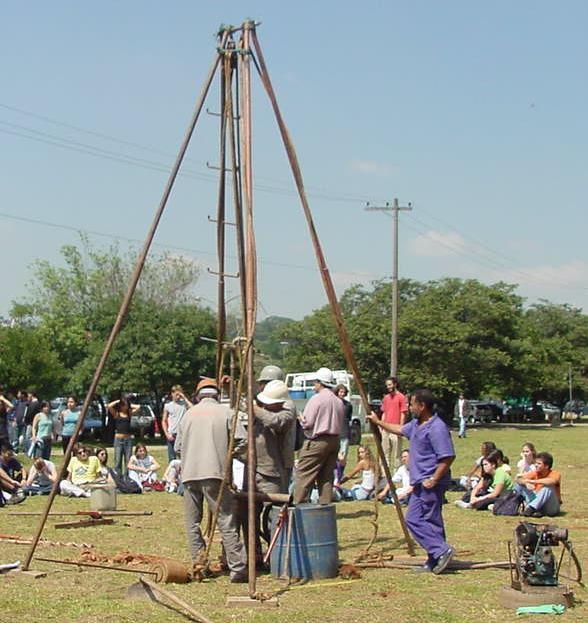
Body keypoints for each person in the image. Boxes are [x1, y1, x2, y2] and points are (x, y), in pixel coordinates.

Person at [369, 388, 455, 574]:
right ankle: (435, 559)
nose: (408, 407)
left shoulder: (437, 428)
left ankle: (441, 550)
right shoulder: (416, 424)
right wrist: (378, 422)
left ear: (422, 406)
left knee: (415, 519)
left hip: (430, 482)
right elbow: (399, 429)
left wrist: (434, 479)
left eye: (412, 403)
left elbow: (447, 457)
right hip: (419, 482)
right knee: (431, 521)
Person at [175, 377, 248, 583]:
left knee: (192, 522)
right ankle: (237, 568)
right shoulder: (226, 413)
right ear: (217, 394)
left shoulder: (188, 415)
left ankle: (199, 564)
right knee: (225, 520)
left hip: (189, 475)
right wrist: (228, 452)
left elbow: (178, 447)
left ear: (198, 395)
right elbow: (242, 440)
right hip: (215, 473)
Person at [293, 367, 344, 505]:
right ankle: (324, 506)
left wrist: (300, 417)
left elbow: (307, 423)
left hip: (317, 441)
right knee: (326, 477)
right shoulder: (338, 401)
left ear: (319, 383)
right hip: (334, 440)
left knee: (304, 475)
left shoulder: (316, 399)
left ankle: (300, 507)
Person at [257, 365, 297, 490]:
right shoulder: (264, 403)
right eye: (262, 383)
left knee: (276, 501)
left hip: (279, 463)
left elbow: (276, 421)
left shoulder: (287, 405)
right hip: (261, 464)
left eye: (266, 383)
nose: (263, 387)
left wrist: (254, 409)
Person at [515, 452, 562, 517]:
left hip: (551, 507)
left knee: (548, 488)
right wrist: (526, 483)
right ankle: (517, 507)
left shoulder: (555, 474)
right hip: (538, 503)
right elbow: (518, 479)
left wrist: (533, 481)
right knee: (519, 485)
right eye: (535, 463)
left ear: (546, 466)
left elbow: (552, 481)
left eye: (539, 464)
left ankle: (530, 509)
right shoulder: (535, 473)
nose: (536, 465)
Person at [380, 377, 408, 469]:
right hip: (386, 429)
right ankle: (385, 474)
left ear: (395, 384)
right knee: (385, 453)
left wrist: (400, 428)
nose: (388, 387)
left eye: (390, 384)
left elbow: (403, 413)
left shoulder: (401, 397)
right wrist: (381, 425)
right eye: (387, 385)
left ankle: (397, 474)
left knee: (397, 454)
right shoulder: (386, 398)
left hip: (396, 429)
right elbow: (384, 412)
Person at [107, 396, 140, 473]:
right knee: (118, 460)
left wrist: (128, 404)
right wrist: (118, 401)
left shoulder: (129, 414)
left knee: (128, 461)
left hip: (128, 440)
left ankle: (127, 478)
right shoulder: (117, 414)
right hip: (118, 439)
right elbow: (109, 406)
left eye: (126, 405)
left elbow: (138, 407)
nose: (125, 406)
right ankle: (118, 478)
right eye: (123, 405)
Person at [161, 385, 192, 462]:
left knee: (184, 457)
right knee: (172, 459)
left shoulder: (184, 404)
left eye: (179, 395)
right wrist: (167, 433)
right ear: (172, 393)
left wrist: (184, 397)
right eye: (176, 394)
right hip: (172, 434)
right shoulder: (168, 406)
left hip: (182, 433)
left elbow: (193, 408)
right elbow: (164, 421)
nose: (178, 397)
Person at [334, 384, 353, 484]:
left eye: (343, 392)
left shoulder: (348, 405)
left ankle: (340, 475)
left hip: (344, 433)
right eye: (340, 391)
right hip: (335, 433)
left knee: (343, 457)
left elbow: (349, 419)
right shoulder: (333, 403)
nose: (341, 394)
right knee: (335, 456)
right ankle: (335, 475)